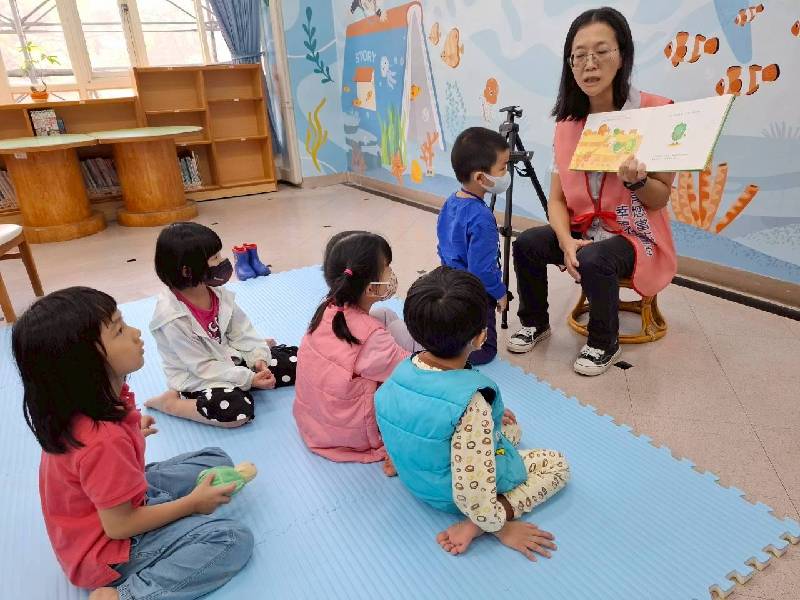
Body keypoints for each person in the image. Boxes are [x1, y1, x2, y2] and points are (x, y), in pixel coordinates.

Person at [11, 287, 253, 600]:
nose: (136, 333)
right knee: (231, 538)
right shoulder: (102, 439)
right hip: (108, 548)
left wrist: (132, 434)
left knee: (215, 459)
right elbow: (120, 526)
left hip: (111, 508)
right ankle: (127, 595)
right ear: (85, 363)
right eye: (119, 330)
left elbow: (96, 465)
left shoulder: (86, 404)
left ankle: (166, 505)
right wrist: (191, 504)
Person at [507, 6, 677, 376]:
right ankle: (534, 322)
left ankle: (604, 342)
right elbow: (557, 200)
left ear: (623, 56)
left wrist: (637, 182)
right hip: (584, 227)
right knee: (528, 243)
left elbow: (661, 197)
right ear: (570, 65)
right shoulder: (568, 124)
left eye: (601, 51)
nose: (590, 64)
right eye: (579, 55)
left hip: (633, 234)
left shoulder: (655, 113)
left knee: (596, 258)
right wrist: (566, 241)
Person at [376, 267, 570, 559]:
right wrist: (496, 525)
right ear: (480, 338)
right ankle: (479, 524)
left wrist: (487, 420)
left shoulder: (401, 371)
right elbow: (473, 489)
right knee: (557, 465)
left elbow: (403, 424)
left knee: (512, 430)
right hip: (450, 494)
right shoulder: (471, 406)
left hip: (415, 473)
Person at [293, 231, 421, 474]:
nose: (392, 273)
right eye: (387, 267)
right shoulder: (370, 338)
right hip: (352, 434)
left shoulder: (329, 308)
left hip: (316, 421)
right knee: (418, 353)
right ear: (369, 286)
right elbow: (413, 371)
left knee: (385, 316)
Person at [147, 222, 297, 427]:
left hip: (230, 359)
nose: (223, 261)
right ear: (187, 271)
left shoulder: (217, 293)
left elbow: (242, 331)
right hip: (199, 376)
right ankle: (172, 403)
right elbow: (202, 367)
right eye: (215, 258)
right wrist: (248, 378)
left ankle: (253, 366)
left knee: (298, 361)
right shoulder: (172, 318)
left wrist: (258, 359)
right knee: (237, 412)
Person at [437, 126, 511, 365]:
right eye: (503, 168)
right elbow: (482, 270)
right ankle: (454, 356)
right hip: (475, 292)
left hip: (449, 283)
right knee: (485, 351)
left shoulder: (450, 202)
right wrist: (500, 293)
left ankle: (448, 342)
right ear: (481, 178)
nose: (507, 173)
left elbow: (442, 244)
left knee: (457, 326)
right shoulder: (482, 218)